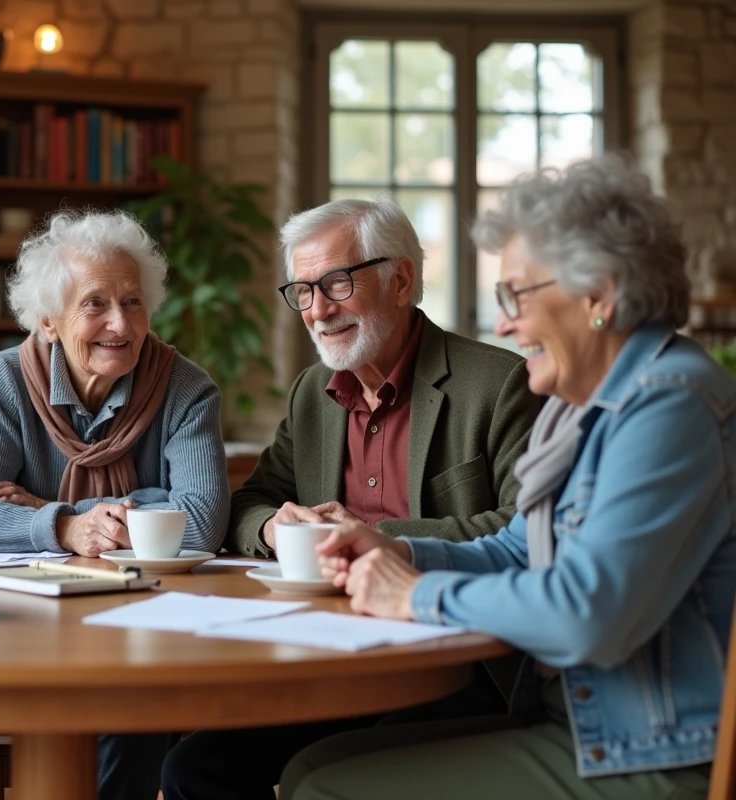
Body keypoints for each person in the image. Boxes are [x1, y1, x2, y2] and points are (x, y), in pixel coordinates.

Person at [279, 155, 732, 800]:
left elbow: (587, 612)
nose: (503, 324)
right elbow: (519, 546)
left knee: (328, 791)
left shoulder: (671, 402)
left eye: (517, 294)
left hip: (655, 749)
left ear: (598, 293)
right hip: (573, 720)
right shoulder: (585, 401)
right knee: (307, 771)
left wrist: (414, 595)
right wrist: (398, 550)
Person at [161, 195, 541, 800]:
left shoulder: (499, 384)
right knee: (193, 768)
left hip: (457, 663)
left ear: (401, 280)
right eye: (303, 292)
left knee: (338, 776)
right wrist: (272, 529)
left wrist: (381, 539)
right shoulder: (313, 393)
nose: (318, 311)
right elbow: (253, 498)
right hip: (328, 651)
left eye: (336, 285)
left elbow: (528, 529)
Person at [0, 208, 229, 800]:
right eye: (95, 303)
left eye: (132, 302)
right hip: (27, 626)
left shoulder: (185, 387)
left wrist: (42, 509)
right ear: (49, 321)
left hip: (148, 624)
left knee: (134, 695)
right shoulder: (6, 380)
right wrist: (69, 524)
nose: (119, 323)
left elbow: (201, 523)